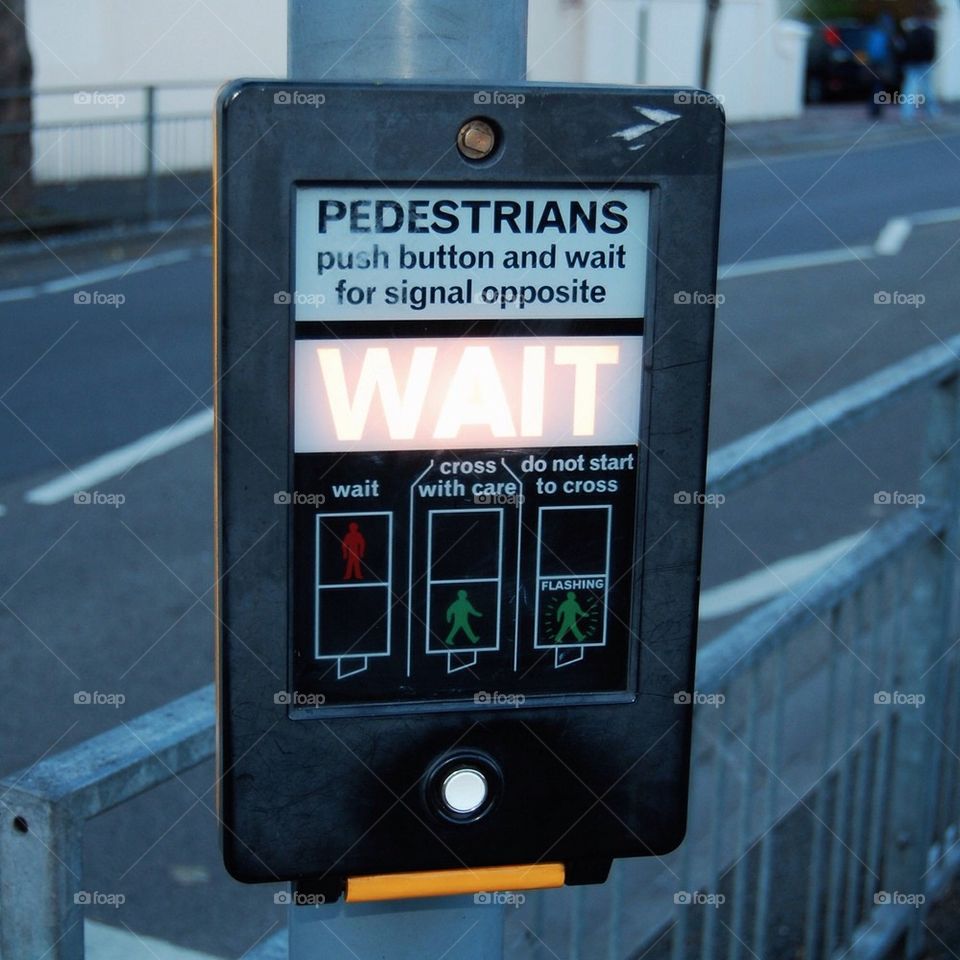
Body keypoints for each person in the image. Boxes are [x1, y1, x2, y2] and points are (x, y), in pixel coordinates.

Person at [900, 2, 941, 122]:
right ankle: (932, 112)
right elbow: (932, 47)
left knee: (910, 89)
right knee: (928, 88)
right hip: (925, 62)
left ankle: (907, 114)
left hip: (912, 62)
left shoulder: (909, 28)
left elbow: (905, 47)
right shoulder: (930, 29)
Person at [866, 13, 899, 118]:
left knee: (876, 87)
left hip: (874, 65)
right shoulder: (887, 34)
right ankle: (876, 109)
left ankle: (874, 108)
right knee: (879, 88)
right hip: (883, 66)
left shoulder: (874, 33)